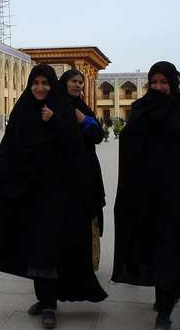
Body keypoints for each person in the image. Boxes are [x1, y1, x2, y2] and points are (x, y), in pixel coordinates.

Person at [0, 64, 107, 330]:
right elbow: (9, 152)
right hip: (29, 193)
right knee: (35, 247)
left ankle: (49, 303)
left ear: (54, 86)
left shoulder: (62, 110)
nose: (40, 88)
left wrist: (57, 122)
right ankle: (45, 298)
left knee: (49, 246)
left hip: (58, 194)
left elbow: (76, 148)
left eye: (46, 83)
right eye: (35, 83)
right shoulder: (23, 111)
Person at [112, 61, 180, 330]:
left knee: (171, 247)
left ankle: (165, 309)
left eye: (164, 82)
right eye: (154, 82)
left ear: (174, 83)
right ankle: (164, 294)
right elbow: (130, 147)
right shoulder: (140, 109)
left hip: (178, 196)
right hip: (147, 196)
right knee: (153, 247)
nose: (158, 87)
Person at [58, 69, 106, 271]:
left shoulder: (83, 109)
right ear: (64, 83)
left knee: (88, 212)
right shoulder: (55, 106)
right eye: (73, 81)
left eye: (80, 82)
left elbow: (97, 135)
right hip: (63, 172)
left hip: (87, 169)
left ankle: (87, 261)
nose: (78, 85)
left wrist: (83, 120)